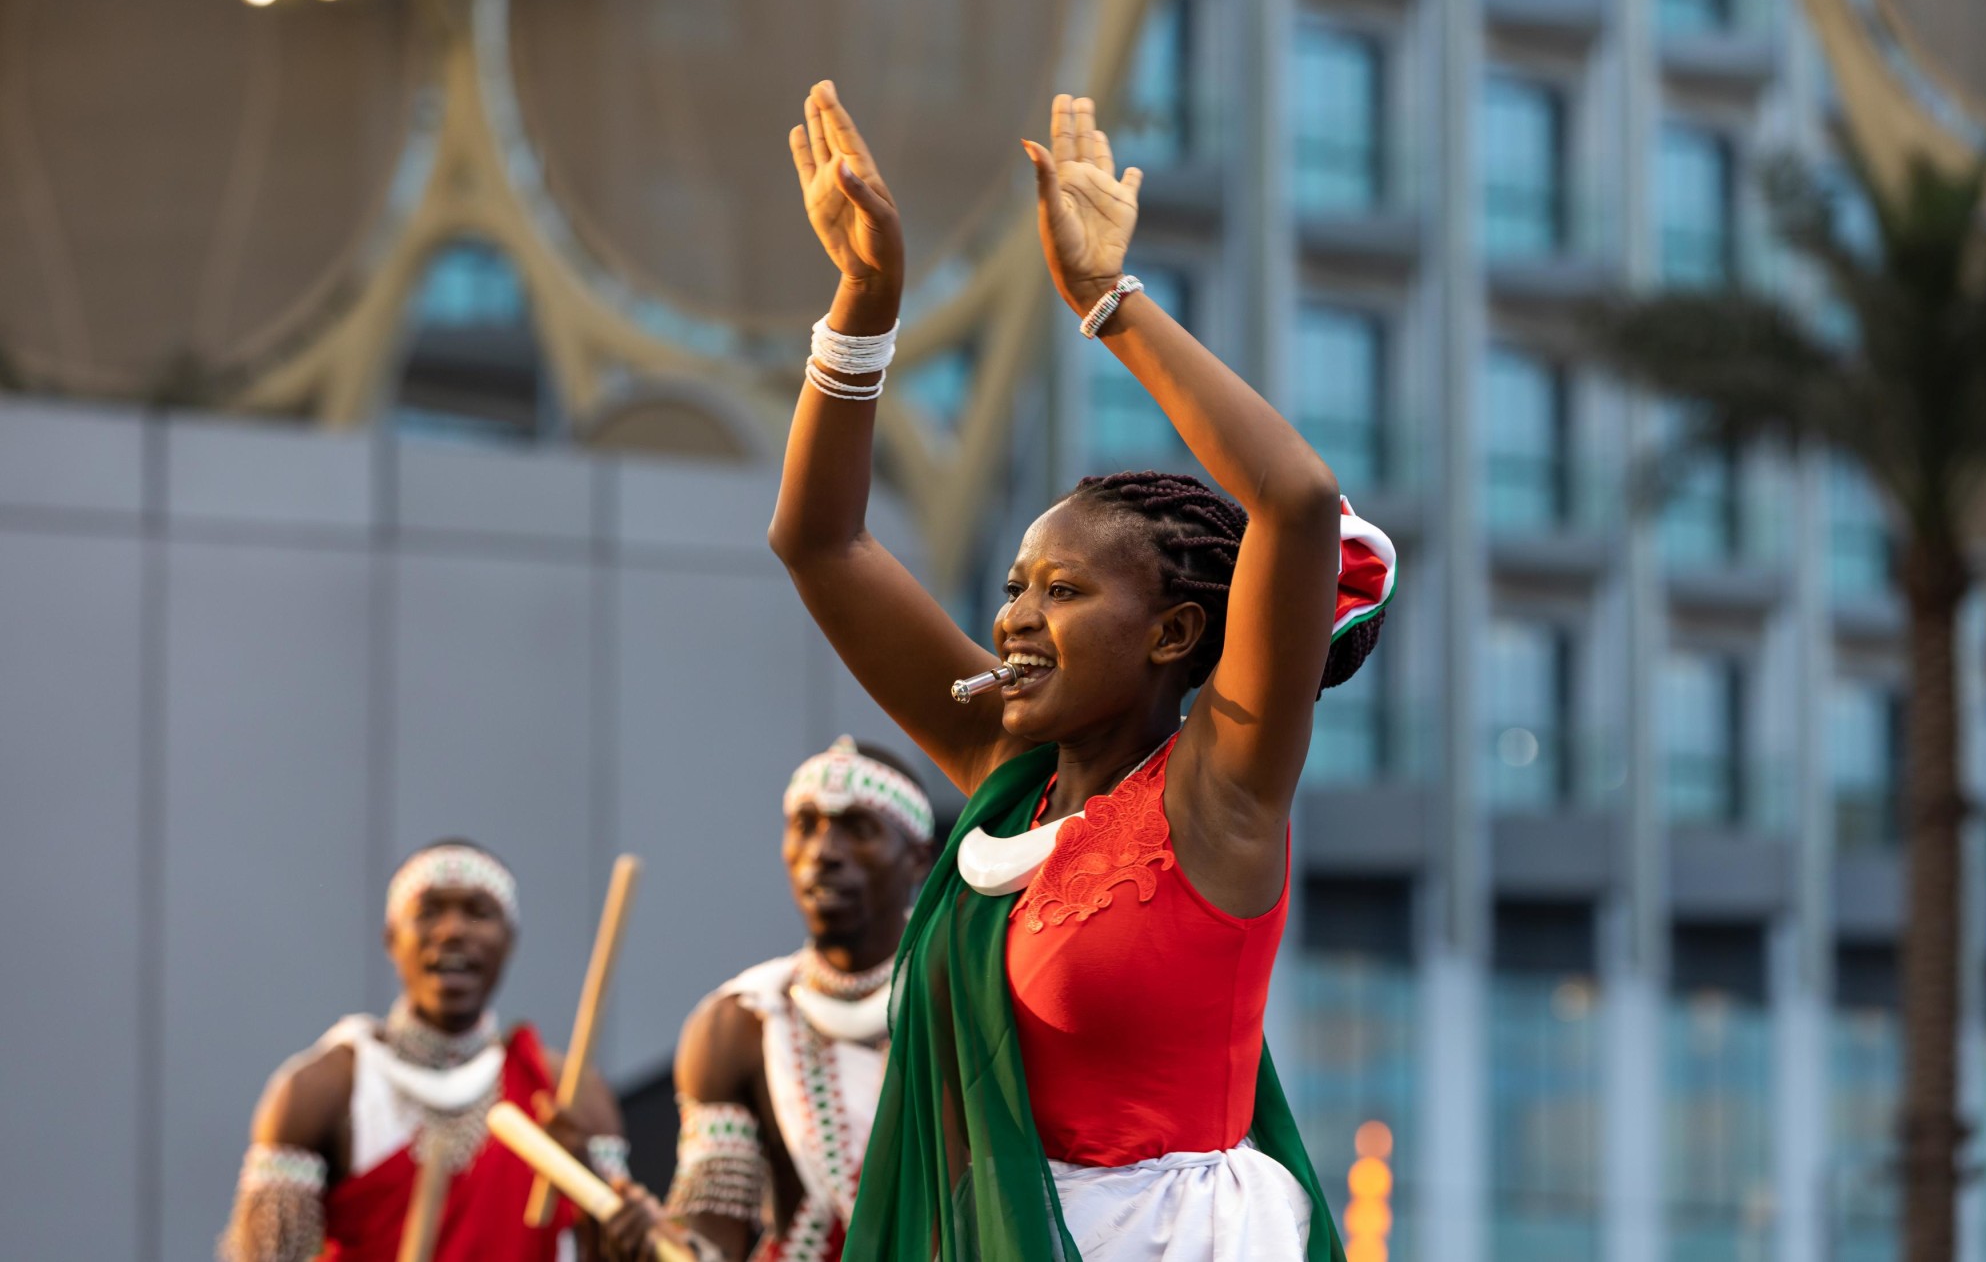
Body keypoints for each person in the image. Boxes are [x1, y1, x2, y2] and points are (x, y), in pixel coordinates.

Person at [764, 81, 1396, 1261]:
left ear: (1168, 636)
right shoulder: (1005, 775)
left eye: (1062, 591)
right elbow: (820, 542)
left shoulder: (1222, 793)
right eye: (1013, 584)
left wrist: (1106, 301)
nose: (1013, 617)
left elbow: (1297, 503)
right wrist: (864, 303)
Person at [600, 738, 935, 1262]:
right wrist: (660, 1244)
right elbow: (712, 1235)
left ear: (918, 858)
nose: (823, 853)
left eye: (858, 828)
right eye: (805, 825)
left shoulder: (968, 996)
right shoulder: (737, 1024)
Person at [217, 840, 633, 1262]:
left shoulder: (569, 1094)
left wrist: (590, 1199)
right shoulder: (321, 1091)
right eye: (428, 911)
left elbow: (612, 1254)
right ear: (391, 938)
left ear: (509, 941)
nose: (453, 930)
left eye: (478, 912)